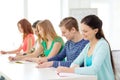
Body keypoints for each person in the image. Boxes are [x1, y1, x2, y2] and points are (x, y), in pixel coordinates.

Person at [56, 15, 115, 80]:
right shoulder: (88, 46)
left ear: (95, 31)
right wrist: (72, 68)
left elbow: (93, 69)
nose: (82, 33)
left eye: (85, 31)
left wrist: (69, 70)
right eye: (82, 31)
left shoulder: (102, 45)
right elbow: (76, 62)